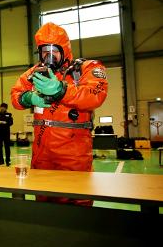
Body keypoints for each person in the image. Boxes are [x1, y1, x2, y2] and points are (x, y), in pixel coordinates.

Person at [11, 22, 108, 206]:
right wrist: (28, 98)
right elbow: (15, 96)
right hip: (41, 156)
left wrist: (61, 90)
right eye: (44, 50)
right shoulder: (34, 73)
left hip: (73, 156)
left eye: (53, 50)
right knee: (43, 206)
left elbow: (96, 95)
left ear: (64, 50)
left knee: (77, 206)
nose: (49, 55)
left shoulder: (85, 69)